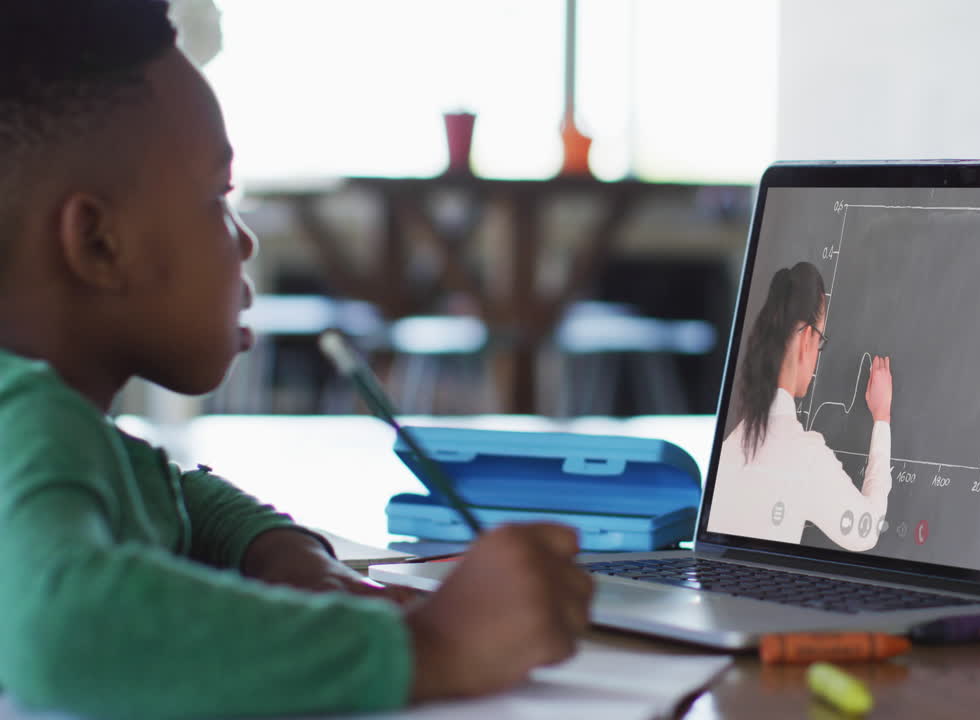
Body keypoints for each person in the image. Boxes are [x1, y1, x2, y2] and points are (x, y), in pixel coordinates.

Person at [0, 2, 591, 718]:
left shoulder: (53, 428)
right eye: (219, 198)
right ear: (98, 244)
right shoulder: (30, 425)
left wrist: (274, 548)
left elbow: (171, 492)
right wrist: (434, 647)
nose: (244, 242)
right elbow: (67, 634)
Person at [709, 261, 893, 551]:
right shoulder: (803, 455)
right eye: (821, 341)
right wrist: (882, 418)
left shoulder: (732, 446)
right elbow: (865, 531)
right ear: (807, 338)